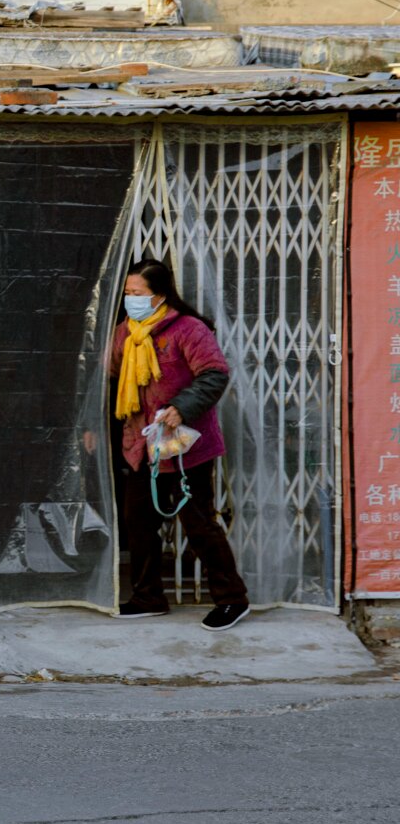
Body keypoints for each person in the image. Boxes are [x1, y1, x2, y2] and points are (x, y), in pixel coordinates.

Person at [111, 257, 250, 630]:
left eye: (137, 293)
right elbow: (110, 377)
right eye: (127, 293)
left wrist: (180, 408)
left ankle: (232, 598)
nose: (130, 299)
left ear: (159, 296)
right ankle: (147, 596)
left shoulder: (188, 329)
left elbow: (214, 374)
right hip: (142, 445)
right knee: (138, 522)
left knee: (199, 523)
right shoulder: (126, 332)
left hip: (186, 446)